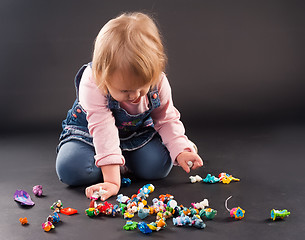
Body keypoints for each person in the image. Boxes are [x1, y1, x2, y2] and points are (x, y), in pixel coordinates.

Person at [56, 12, 203, 201]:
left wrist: (181, 149)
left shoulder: (158, 82)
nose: (134, 96)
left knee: (158, 167)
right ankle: (113, 163)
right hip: (89, 136)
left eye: (142, 88)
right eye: (125, 91)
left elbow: (166, 119)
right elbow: (103, 129)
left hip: (136, 135)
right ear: (103, 76)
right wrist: (112, 182)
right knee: (70, 169)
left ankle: (119, 161)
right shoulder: (93, 81)